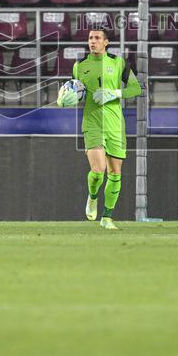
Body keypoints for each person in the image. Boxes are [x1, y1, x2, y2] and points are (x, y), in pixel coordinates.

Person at [59, 27, 142, 230]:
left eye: (97, 38)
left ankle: (107, 218)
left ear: (106, 42)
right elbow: (75, 90)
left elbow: (136, 88)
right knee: (98, 170)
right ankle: (93, 197)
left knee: (115, 173)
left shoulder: (118, 62)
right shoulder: (79, 66)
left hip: (115, 124)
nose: (92, 41)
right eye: (90, 38)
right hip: (92, 122)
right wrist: (65, 99)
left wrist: (114, 93)